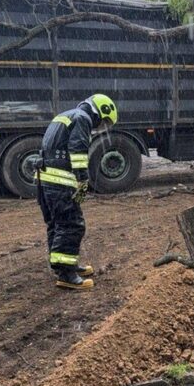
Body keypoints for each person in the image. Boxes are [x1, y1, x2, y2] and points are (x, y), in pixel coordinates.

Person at [36, 94, 118, 290]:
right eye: (104, 122)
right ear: (101, 111)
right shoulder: (83, 118)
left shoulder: (66, 115)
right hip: (60, 181)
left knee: (56, 224)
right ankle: (66, 274)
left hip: (44, 179)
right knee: (72, 224)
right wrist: (82, 180)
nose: (100, 127)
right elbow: (78, 151)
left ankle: (62, 266)